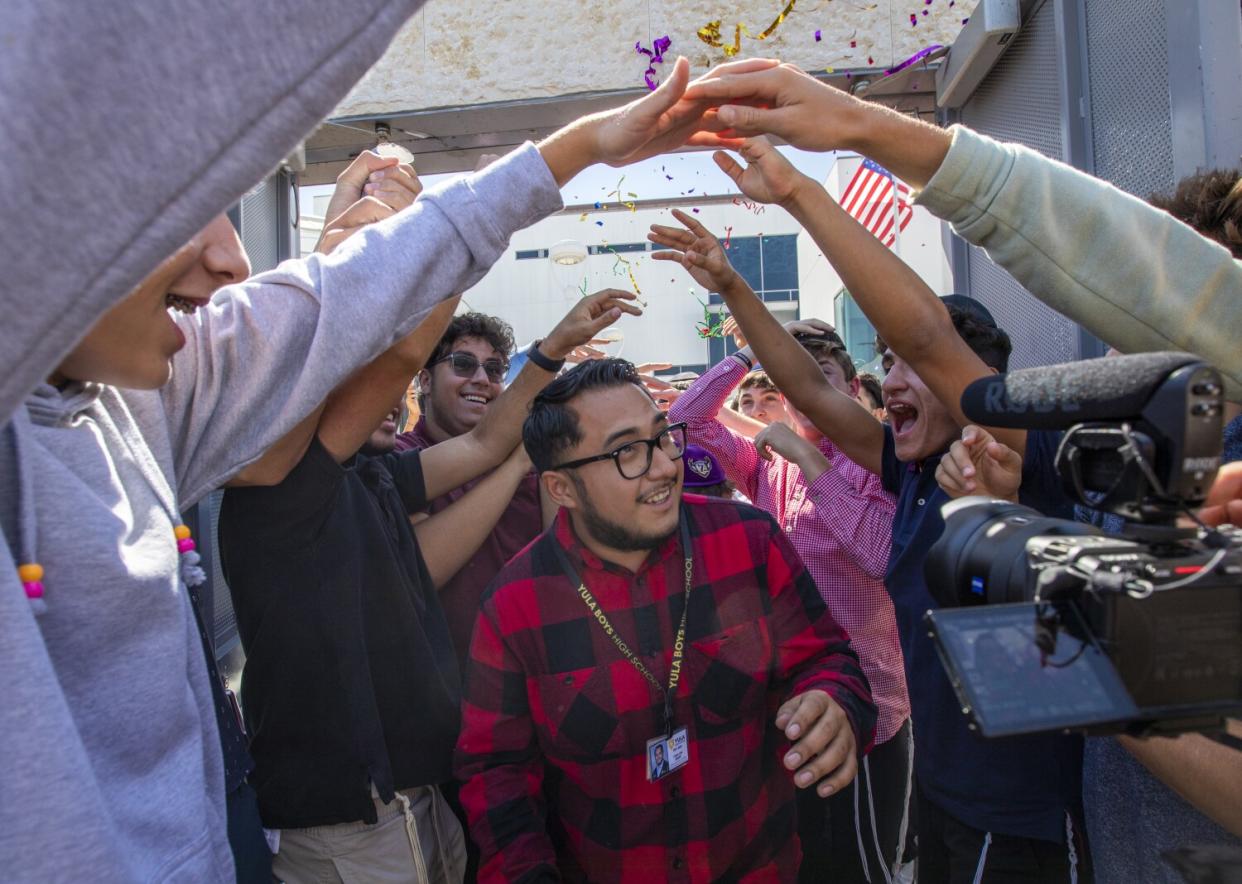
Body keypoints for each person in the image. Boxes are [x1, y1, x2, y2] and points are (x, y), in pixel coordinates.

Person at [0, 21, 773, 875]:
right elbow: (359, 332)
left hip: (407, 795)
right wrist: (353, 232)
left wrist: (577, 161)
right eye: (182, 214)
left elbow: (478, 439)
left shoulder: (221, 430)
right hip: (353, 815)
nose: (229, 260)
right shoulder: (281, 479)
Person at [650, 136, 1086, 880]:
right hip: (943, 786)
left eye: (912, 363)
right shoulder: (906, 468)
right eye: (885, 362)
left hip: (1013, 809)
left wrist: (797, 194)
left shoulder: (1023, 455)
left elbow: (927, 334)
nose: (893, 378)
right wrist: (730, 287)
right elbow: (813, 390)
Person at [455, 358, 877, 882]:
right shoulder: (516, 606)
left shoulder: (748, 541)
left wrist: (833, 701)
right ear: (561, 489)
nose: (662, 467)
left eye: (662, 437)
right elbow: (496, 772)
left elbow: (828, 659)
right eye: (626, 451)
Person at [681, 60, 1242, 399]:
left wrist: (853, 132)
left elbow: (928, 339)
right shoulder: (1099, 446)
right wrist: (804, 184)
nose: (1122, 338)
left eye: (1152, 311)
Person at [669, 306, 909, 883]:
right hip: (786, 706)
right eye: (791, 377)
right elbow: (683, 423)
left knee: (863, 868)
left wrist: (807, 457)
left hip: (870, 712)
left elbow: (880, 557)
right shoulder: (764, 468)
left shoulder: (887, 462)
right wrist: (753, 351)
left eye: (820, 375)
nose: (804, 388)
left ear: (852, 387)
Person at [394, 312, 543, 668]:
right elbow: (421, 569)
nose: (481, 379)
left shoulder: (528, 455)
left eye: (494, 370)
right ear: (425, 381)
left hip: (535, 675)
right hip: (449, 691)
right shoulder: (398, 460)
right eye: (463, 364)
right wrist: (514, 467)